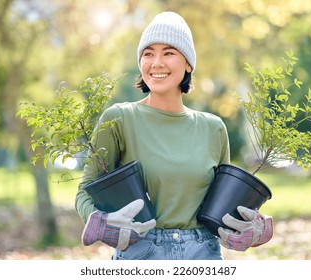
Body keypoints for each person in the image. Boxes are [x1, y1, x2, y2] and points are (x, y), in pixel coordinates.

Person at [75, 11, 273, 260]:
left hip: (203, 254)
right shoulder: (120, 118)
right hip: (142, 253)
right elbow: (85, 191)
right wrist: (101, 222)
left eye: (168, 52)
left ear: (188, 63)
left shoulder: (213, 128)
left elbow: (224, 207)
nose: (156, 62)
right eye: (148, 53)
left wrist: (253, 227)